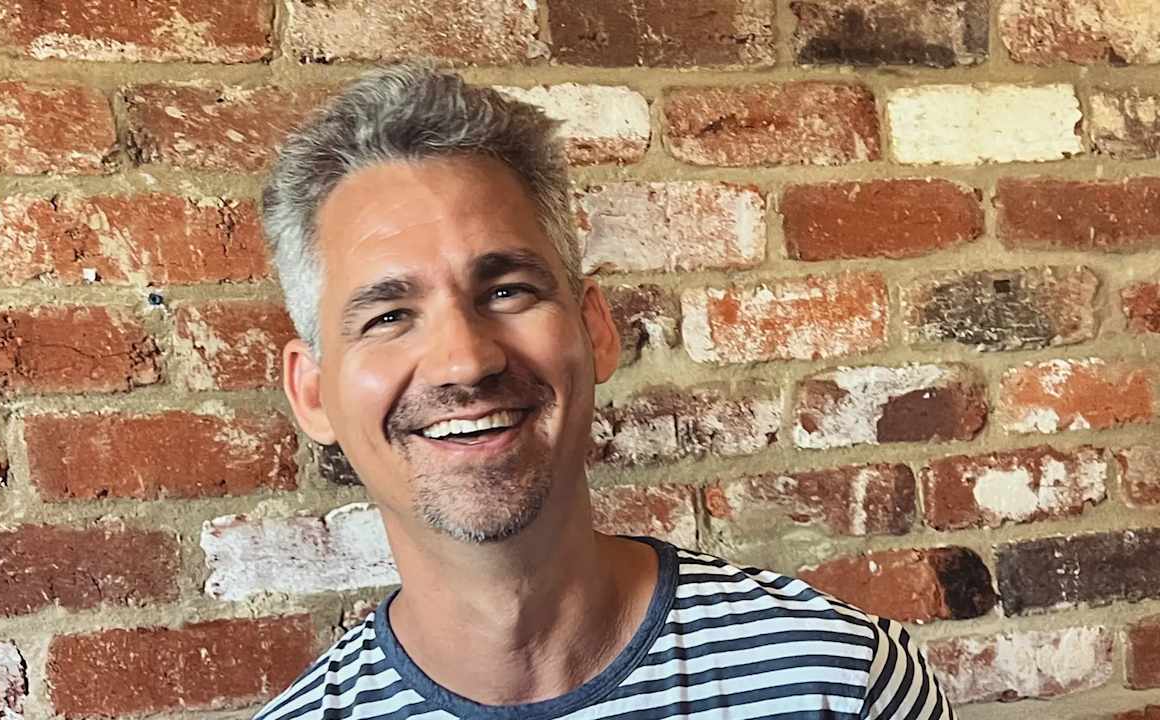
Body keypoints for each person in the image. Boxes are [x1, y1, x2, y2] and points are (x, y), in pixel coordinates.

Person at [254, 64, 954, 720]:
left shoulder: (844, 682)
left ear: (596, 331)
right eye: (388, 317)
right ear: (311, 393)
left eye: (506, 291)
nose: (464, 361)